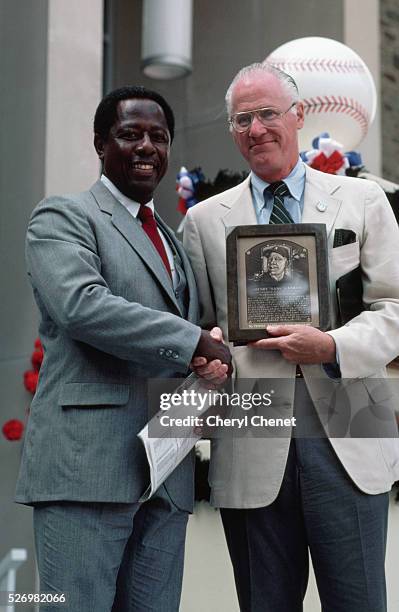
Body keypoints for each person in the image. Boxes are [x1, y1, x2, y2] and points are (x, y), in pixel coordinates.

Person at [184, 63, 399, 612]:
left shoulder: (363, 201)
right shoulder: (205, 221)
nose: (256, 129)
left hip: (350, 433)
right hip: (252, 441)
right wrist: (205, 350)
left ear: (298, 116)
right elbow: (195, 328)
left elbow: (394, 308)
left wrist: (332, 347)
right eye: (242, 119)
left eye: (267, 114)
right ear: (232, 132)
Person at [15, 85, 231, 612]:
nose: (146, 146)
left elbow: (185, 331)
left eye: (158, 137)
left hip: (166, 471)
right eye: (129, 134)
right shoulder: (63, 217)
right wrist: (191, 341)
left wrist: (210, 348)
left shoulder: (175, 241)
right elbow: (82, 305)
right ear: (99, 143)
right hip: (86, 469)